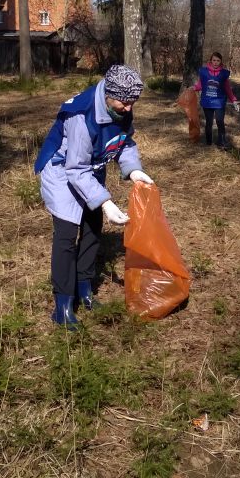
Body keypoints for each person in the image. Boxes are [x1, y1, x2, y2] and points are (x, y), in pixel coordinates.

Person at [34, 64, 154, 326]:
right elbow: (76, 169)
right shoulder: (81, 115)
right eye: (125, 102)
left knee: (92, 228)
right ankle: (63, 306)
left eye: (133, 102)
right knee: (66, 236)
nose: (129, 108)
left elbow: (124, 143)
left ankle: (84, 288)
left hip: (90, 171)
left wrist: (133, 170)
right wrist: (106, 202)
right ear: (109, 94)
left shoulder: (120, 107)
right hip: (63, 173)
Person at [193, 51, 240, 148]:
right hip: (207, 101)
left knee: (220, 121)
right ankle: (209, 143)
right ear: (210, 61)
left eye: (218, 61)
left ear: (221, 62)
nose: (215, 62)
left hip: (219, 101)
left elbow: (227, 88)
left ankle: (221, 141)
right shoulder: (204, 72)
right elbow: (200, 85)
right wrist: (193, 88)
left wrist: (234, 100)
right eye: (214, 60)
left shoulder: (223, 74)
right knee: (209, 122)